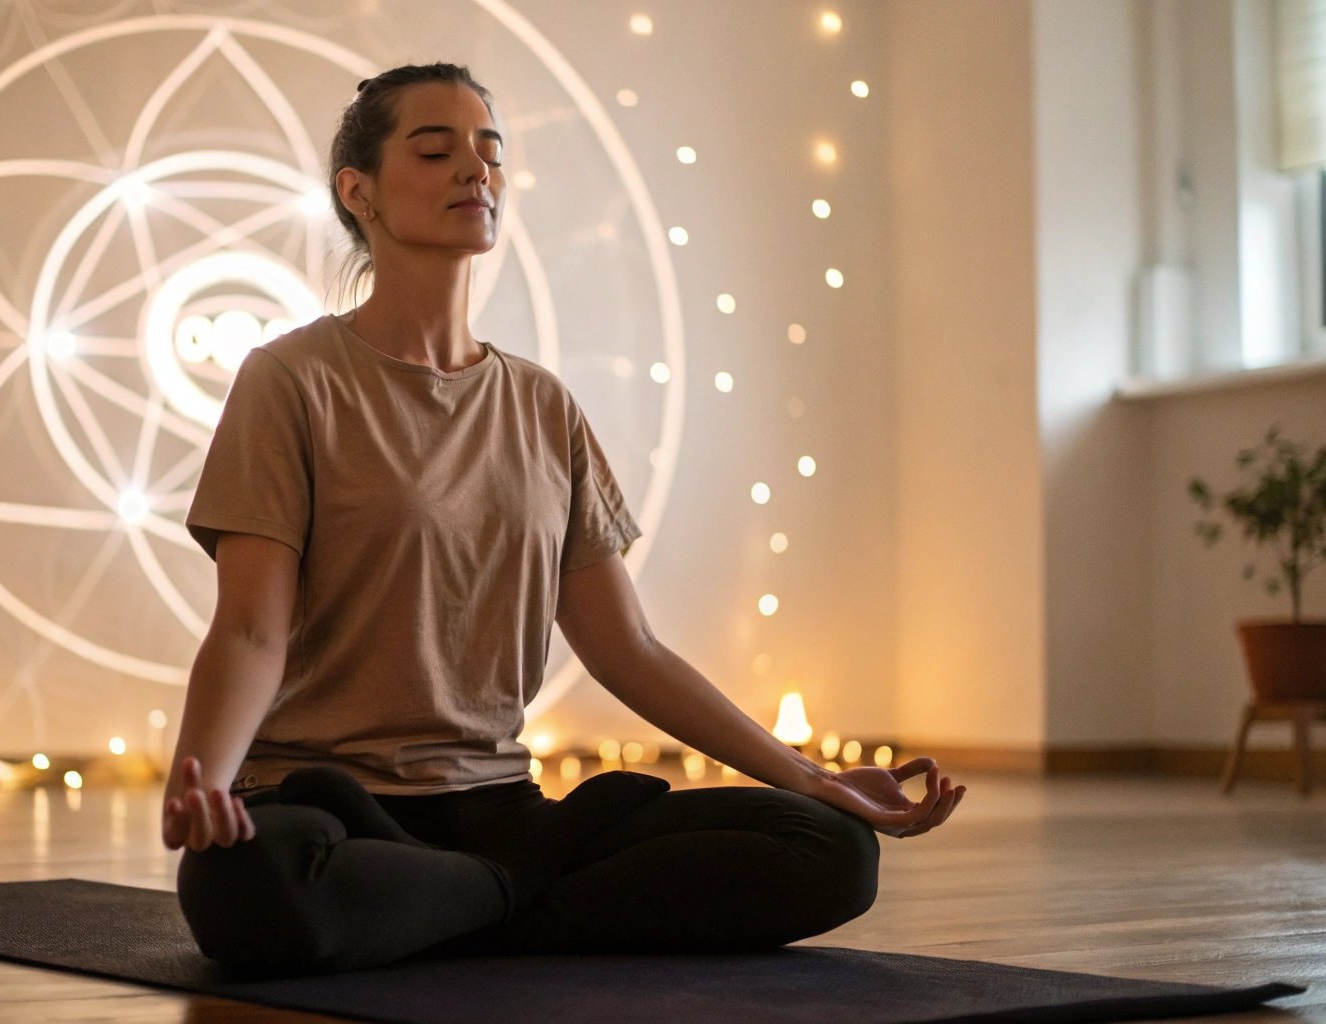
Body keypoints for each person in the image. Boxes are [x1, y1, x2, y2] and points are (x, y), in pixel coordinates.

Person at [164, 62, 964, 979]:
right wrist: (206, 778)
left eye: (490, 152)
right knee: (254, 895)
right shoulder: (291, 380)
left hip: (500, 808)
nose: (476, 171)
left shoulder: (542, 406)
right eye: (436, 150)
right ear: (360, 192)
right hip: (328, 805)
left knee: (830, 852)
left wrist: (817, 782)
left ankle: (468, 897)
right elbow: (253, 626)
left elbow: (629, 650)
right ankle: (512, 895)